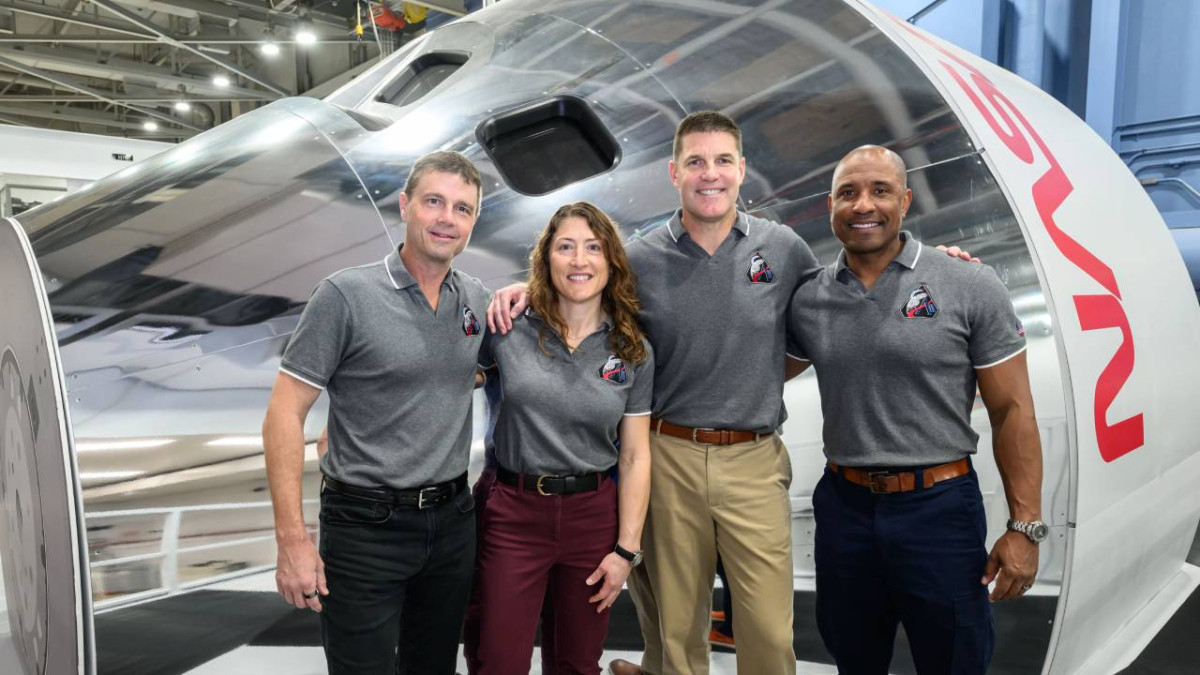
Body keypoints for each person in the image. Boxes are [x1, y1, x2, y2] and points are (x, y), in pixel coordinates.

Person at [490, 112, 977, 675]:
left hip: (754, 459)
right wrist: (524, 289)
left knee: (768, 631)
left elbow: (841, 294)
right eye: (696, 161)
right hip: (667, 455)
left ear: (741, 169)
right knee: (676, 630)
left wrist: (940, 268)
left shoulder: (783, 248)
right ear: (674, 172)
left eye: (723, 161)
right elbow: (583, 288)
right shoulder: (641, 259)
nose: (710, 174)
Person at [787, 145, 1044, 674]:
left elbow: (1012, 410)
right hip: (844, 509)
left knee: (954, 660)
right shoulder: (809, 299)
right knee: (852, 657)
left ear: (905, 201)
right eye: (848, 193)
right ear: (830, 206)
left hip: (939, 510)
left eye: (880, 191)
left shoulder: (968, 283)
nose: (864, 205)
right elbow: (751, 373)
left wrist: (1025, 527)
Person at [262, 150, 487, 675]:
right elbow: (283, 414)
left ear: (474, 221)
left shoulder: (476, 299)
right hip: (365, 527)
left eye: (462, 208)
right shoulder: (345, 295)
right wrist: (292, 540)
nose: (447, 218)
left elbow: (470, 369)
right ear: (404, 205)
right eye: (434, 202)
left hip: (452, 523)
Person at [467, 202, 653, 675]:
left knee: (577, 663)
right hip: (513, 511)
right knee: (498, 661)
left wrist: (626, 551)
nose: (579, 260)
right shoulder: (507, 326)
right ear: (546, 258)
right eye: (565, 247)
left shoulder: (632, 348)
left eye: (593, 248)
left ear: (610, 261)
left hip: (592, 517)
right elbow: (448, 377)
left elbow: (634, 455)